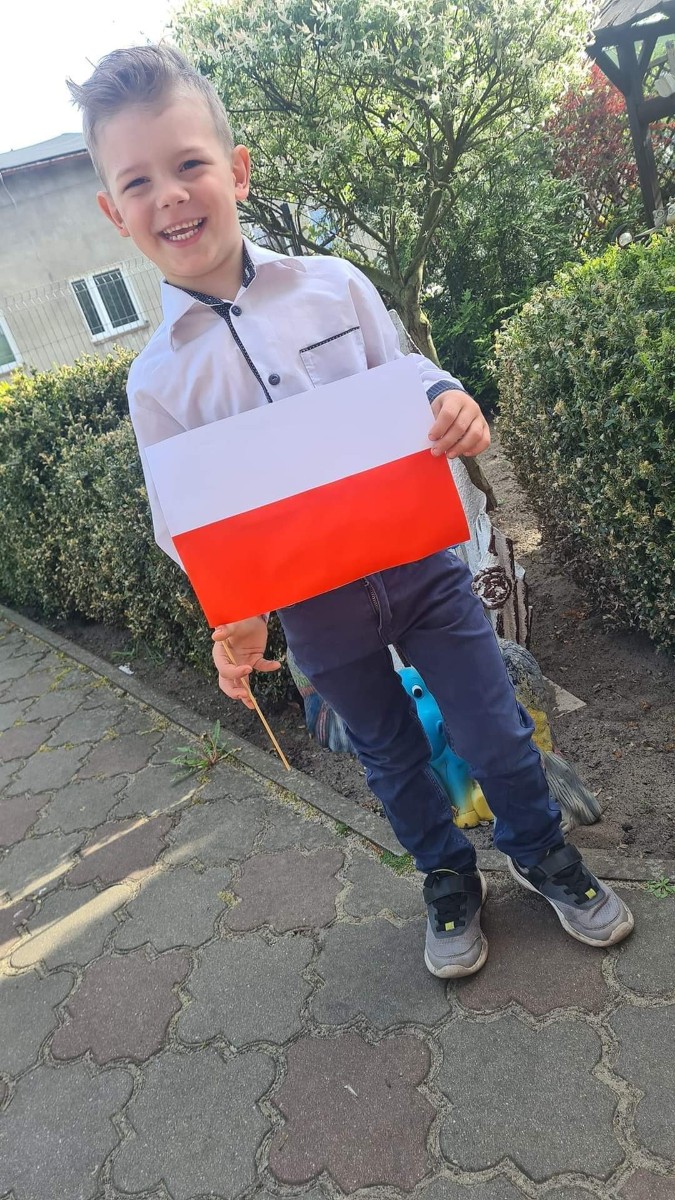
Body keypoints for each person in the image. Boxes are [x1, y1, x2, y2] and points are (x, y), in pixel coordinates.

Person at [68, 44, 634, 979]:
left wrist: (451, 402)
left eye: (189, 164)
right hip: (314, 608)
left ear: (236, 171)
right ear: (113, 212)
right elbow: (186, 519)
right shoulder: (157, 380)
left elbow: (411, 377)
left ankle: (542, 853)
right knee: (386, 754)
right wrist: (236, 615)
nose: (169, 195)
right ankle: (445, 877)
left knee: (494, 725)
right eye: (137, 181)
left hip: (420, 567)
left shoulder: (334, 284)